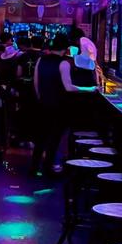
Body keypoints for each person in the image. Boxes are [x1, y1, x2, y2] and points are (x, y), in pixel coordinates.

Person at [31, 33, 96, 177]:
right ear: (65, 48)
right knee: (54, 138)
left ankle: (33, 168)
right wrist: (89, 89)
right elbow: (68, 87)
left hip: (43, 104)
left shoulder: (41, 60)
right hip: (59, 106)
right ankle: (48, 168)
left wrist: (41, 98)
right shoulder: (64, 63)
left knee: (41, 137)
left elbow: (36, 82)